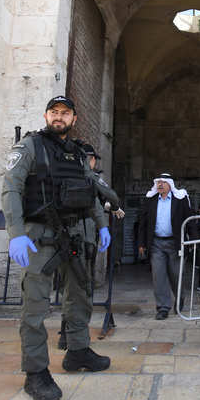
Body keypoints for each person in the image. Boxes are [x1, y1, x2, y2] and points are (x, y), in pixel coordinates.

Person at [1, 95, 113, 400]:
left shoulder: (78, 154)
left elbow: (91, 192)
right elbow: (11, 187)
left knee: (80, 295)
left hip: (74, 234)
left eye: (65, 113)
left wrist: (101, 225)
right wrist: (16, 233)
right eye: (54, 112)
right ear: (46, 115)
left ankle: (77, 351)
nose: (59, 117)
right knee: (35, 305)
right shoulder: (30, 146)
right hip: (38, 235)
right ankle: (35, 372)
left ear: (74, 119)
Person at [56, 142, 124, 351]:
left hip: (68, 239)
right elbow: (109, 196)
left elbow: (94, 203)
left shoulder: (64, 176)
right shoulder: (88, 178)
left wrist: (105, 209)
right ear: (89, 159)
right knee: (81, 289)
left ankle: (66, 333)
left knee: (70, 287)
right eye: (92, 158)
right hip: (81, 241)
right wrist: (112, 207)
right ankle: (73, 335)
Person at [138, 173, 193, 319]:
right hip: (156, 243)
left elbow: (190, 221)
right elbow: (142, 222)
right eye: (158, 182)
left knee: (176, 274)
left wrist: (193, 240)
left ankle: (179, 298)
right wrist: (141, 243)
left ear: (170, 184)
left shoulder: (180, 200)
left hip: (175, 243)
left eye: (163, 182)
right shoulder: (151, 200)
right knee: (158, 276)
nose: (160, 185)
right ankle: (163, 307)